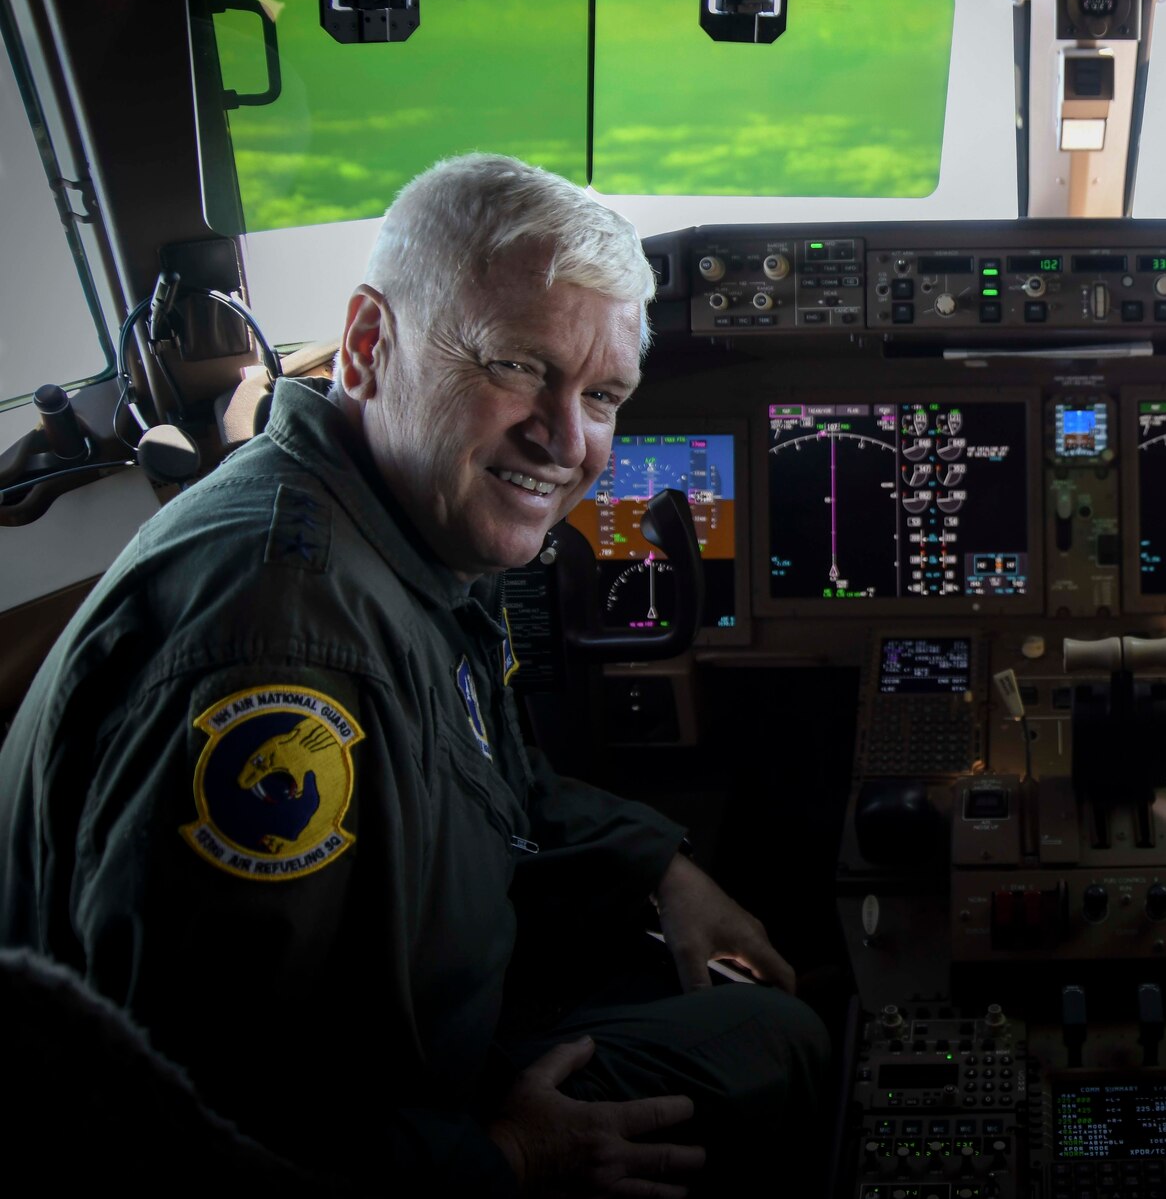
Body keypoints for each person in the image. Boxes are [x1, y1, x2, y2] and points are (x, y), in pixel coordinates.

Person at [0, 154, 829, 1195]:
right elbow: (198, 1118)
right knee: (779, 1045)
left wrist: (662, 868)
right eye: (519, 366)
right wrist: (508, 1156)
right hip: (360, 1131)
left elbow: (491, 776)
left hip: (403, 1039)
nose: (566, 440)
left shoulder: (397, 531)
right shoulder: (286, 653)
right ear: (364, 346)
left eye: (604, 393)